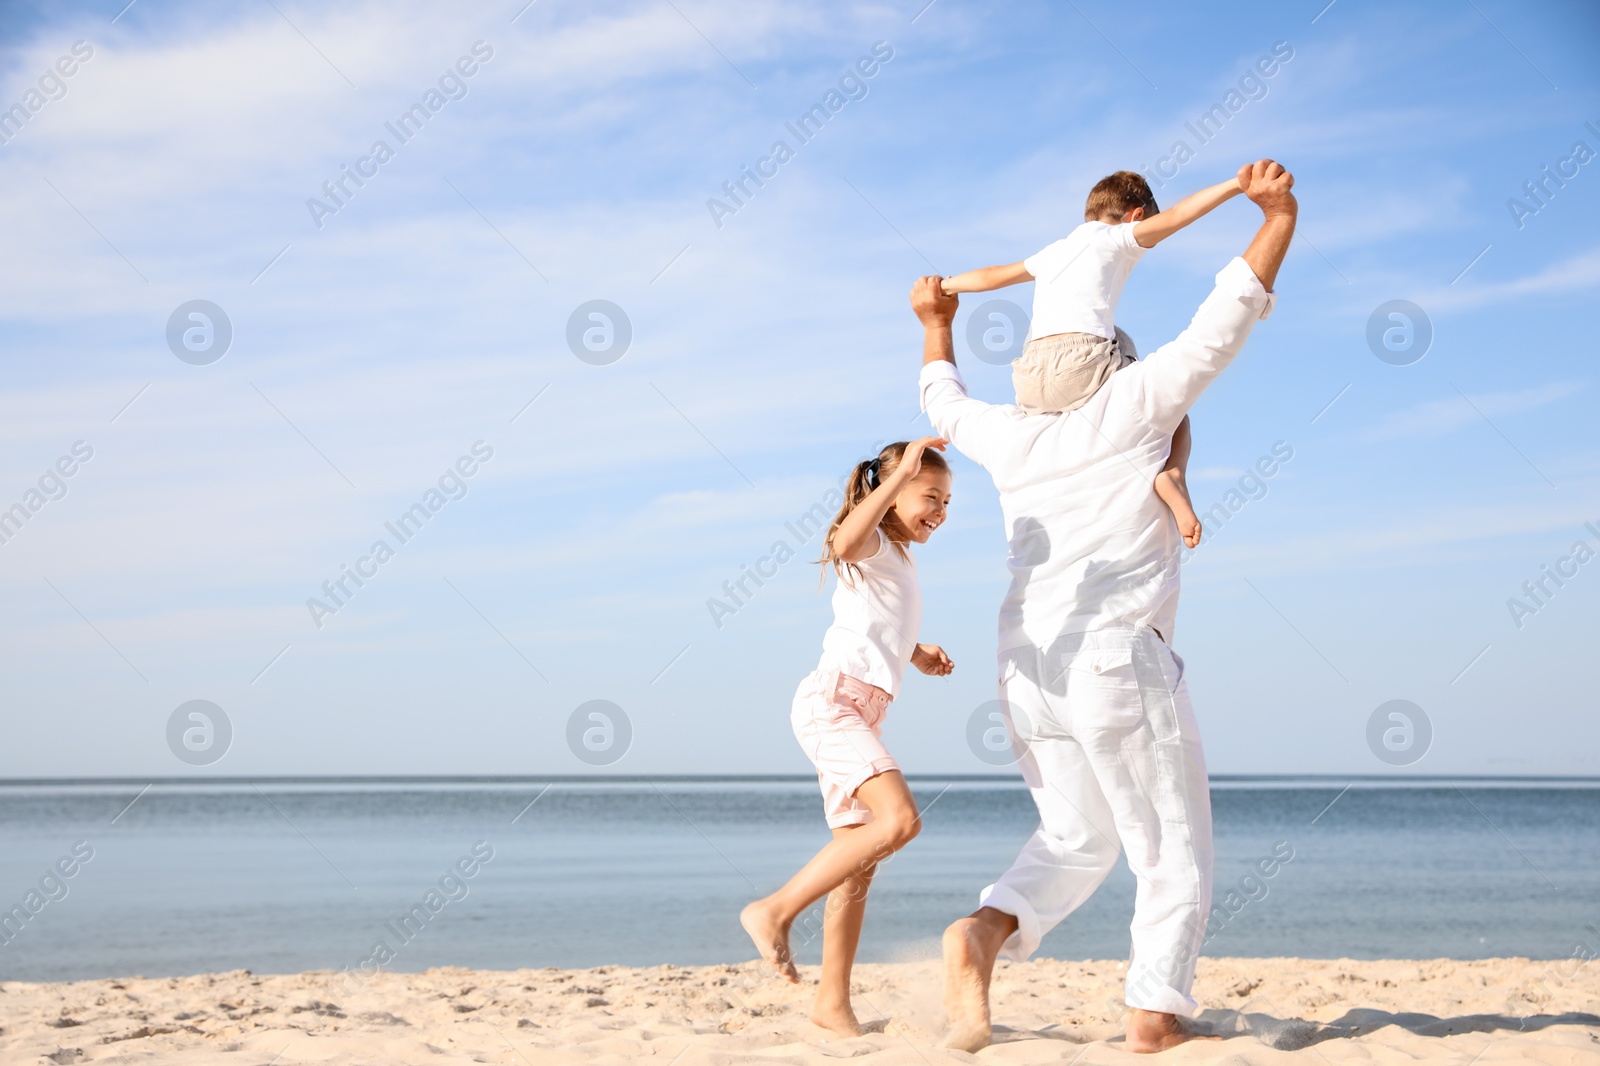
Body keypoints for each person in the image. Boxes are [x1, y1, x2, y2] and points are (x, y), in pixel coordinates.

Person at [913, 159, 1298, 1053]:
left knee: (1078, 838)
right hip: (1115, 659)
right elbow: (1223, 320)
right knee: (1172, 853)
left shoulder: (1010, 435)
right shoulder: (1132, 406)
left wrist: (937, 323)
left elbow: (943, 397)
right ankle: (1154, 1018)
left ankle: (981, 932)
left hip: (1026, 669)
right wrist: (1277, 216)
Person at [739, 437, 957, 1037]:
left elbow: (873, 624)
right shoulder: (874, 540)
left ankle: (831, 1003)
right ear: (889, 493)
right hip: (832, 705)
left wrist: (914, 652)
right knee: (900, 822)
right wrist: (896, 478)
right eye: (930, 495)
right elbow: (841, 543)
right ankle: (774, 910)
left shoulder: (897, 557)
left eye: (947, 502)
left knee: (859, 863)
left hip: (861, 710)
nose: (940, 511)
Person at [941, 171, 1244, 548]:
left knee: (1118, 340)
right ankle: (1173, 475)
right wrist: (1236, 184)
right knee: (1172, 406)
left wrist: (946, 286)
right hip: (1083, 363)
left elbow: (993, 276)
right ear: (1135, 216)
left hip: (1030, 379)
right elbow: (1180, 215)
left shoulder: (1052, 251)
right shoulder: (1118, 237)